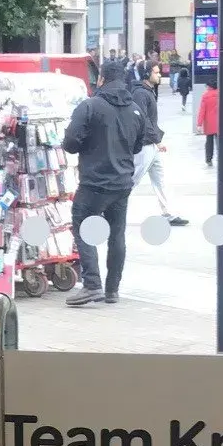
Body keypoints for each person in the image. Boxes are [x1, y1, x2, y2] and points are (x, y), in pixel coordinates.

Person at [61, 57, 144, 306]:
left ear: (101, 79)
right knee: (116, 235)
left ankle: (92, 284)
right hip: (122, 184)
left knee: (82, 226)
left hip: (94, 183)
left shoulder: (90, 106)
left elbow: (70, 144)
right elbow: (139, 144)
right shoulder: (135, 110)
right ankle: (112, 290)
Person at [130, 63, 188, 227]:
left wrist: (156, 139)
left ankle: (168, 212)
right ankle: (111, 209)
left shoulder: (147, 92)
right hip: (144, 145)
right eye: (156, 72)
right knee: (133, 180)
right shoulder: (140, 94)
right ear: (147, 74)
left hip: (151, 145)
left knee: (160, 179)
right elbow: (143, 120)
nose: (159, 75)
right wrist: (157, 139)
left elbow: (149, 120)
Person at [198, 70, 220, 166]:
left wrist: (199, 124)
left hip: (209, 122)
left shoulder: (205, 95)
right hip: (219, 122)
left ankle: (209, 159)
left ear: (209, 86)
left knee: (209, 142)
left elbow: (202, 111)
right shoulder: (221, 94)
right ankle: (221, 157)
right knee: (220, 141)